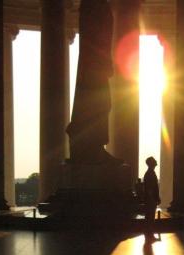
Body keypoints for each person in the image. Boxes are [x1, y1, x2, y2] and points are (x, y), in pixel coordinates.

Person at [66, 0, 121, 165]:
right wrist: (104, 61)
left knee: (103, 105)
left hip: (96, 66)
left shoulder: (95, 6)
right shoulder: (93, 6)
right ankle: (92, 148)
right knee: (99, 105)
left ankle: (95, 146)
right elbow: (96, 37)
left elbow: (102, 35)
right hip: (94, 67)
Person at [143, 156, 161, 240]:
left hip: (150, 198)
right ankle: (149, 233)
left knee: (150, 216)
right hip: (151, 199)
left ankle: (149, 234)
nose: (156, 161)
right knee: (150, 216)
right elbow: (150, 188)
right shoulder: (150, 173)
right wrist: (153, 199)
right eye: (154, 161)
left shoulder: (149, 173)